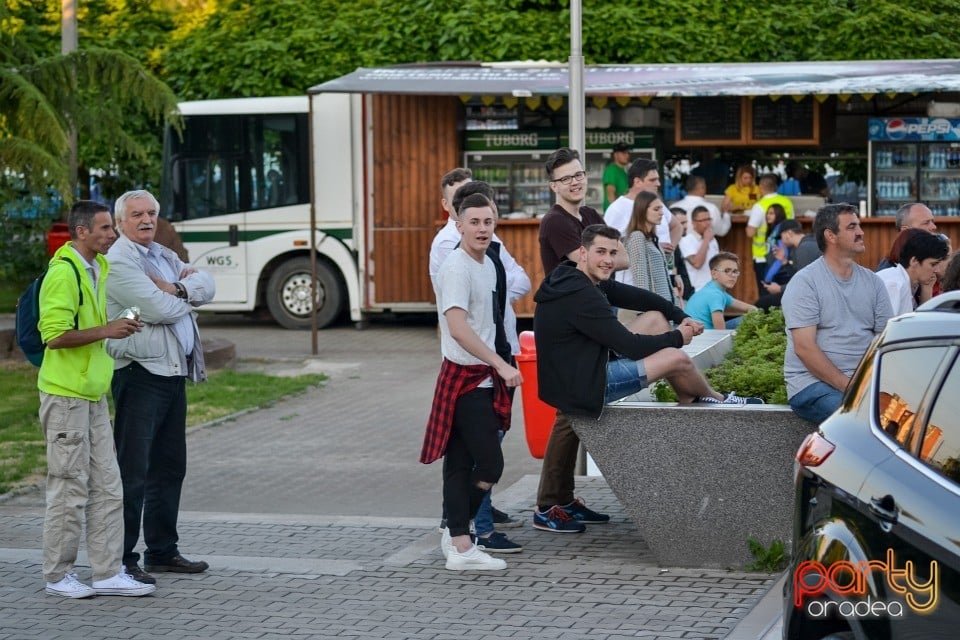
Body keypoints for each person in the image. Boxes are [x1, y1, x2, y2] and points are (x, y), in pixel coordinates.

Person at [37, 200, 155, 598]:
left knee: (108, 485)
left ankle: (107, 572)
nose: (112, 234)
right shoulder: (63, 272)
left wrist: (116, 328)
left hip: (93, 394)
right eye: (105, 228)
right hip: (65, 396)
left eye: (111, 228)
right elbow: (53, 335)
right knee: (69, 488)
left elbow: (94, 328)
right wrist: (107, 330)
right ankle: (57, 576)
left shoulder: (99, 267)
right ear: (82, 232)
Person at [533, 224, 762, 418]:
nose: (608, 260)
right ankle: (719, 400)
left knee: (655, 318)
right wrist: (677, 337)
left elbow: (641, 298)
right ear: (583, 253)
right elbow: (629, 346)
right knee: (676, 358)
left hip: (585, 366)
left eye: (613, 253)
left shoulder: (577, 276)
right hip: (586, 386)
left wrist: (681, 316)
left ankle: (689, 395)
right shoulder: (580, 294)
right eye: (600, 252)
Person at [106, 189, 216, 583]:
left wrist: (178, 288)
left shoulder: (162, 256)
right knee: (133, 472)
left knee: (169, 468)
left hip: (172, 374)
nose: (146, 220)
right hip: (139, 374)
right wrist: (180, 295)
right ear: (121, 222)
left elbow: (208, 283)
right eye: (136, 214)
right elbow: (158, 309)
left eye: (151, 212)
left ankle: (162, 551)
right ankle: (120, 559)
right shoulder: (119, 261)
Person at [420, 193, 522, 571]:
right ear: (458, 225)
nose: (482, 229)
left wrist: (503, 360)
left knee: (461, 461)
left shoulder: (490, 264)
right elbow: (459, 328)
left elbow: (491, 320)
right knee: (489, 463)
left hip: (487, 376)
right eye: (474, 222)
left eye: (488, 221)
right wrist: (500, 365)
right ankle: (460, 539)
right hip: (465, 378)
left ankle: (458, 539)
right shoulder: (456, 267)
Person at [535, 148, 618, 534]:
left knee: (573, 414)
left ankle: (561, 499)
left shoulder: (589, 216)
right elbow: (602, 263)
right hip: (570, 326)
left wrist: (611, 257)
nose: (576, 181)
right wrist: (610, 257)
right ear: (554, 185)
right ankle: (549, 505)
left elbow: (614, 259)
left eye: (579, 174)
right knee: (568, 414)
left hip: (592, 318)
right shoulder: (555, 222)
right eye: (567, 177)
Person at [782, 204, 893, 424]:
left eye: (859, 226)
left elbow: (885, 342)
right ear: (830, 236)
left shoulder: (874, 282)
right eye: (852, 227)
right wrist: (854, 387)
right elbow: (804, 348)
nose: (861, 232)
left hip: (864, 383)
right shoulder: (806, 283)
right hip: (812, 386)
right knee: (866, 420)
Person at [603, 158, 682, 292]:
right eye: (652, 180)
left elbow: (677, 226)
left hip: (665, 280)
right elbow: (607, 246)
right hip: (633, 284)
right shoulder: (617, 208)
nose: (658, 184)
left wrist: (669, 250)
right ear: (637, 181)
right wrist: (653, 248)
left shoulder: (657, 203)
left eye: (658, 179)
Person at [876, 229, 949, 315]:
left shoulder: (906, 282)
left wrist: (927, 288)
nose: (937, 270)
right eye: (933, 264)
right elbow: (886, 326)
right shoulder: (895, 284)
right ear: (914, 261)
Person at [625, 192, 677, 306]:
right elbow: (641, 279)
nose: (661, 213)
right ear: (643, 210)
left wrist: (674, 279)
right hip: (652, 309)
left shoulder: (652, 239)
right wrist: (647, 311)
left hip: (664, 306)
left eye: (661, 208)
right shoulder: (637, 237)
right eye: (656, 209)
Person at [684, 252, 757, 330]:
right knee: (747, 320)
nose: (732, 275)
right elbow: (720, 333)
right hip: (703, 339)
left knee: (751, 318)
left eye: (735, 271)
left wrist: (756, 313)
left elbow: (752, 309)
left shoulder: (715, 290)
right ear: (714, 274)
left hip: (700, 336)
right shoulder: (715, 294)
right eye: (727, 270)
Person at [746, 174, 794, 290]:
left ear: (760, 187)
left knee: (765, 293)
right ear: (775, 187)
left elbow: (750, 233)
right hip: (785, 255)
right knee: (782, 292)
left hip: (763, 255)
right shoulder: (787, 202)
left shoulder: (759, 205)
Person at [876, 203, 938, 271]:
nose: (934, 227)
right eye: (926, 223)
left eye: (932, 222)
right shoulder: (890, 269)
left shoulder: (937, 255)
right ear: (905, 231)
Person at [678, 205, 719, 293]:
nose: (707, 223)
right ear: (693, 222)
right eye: (703, 220)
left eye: (709, 219)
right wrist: (706, 240)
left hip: (715, 288)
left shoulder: (713, 240)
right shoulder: (686, 240)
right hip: (698, 290)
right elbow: (697, 264)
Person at [602, 142, 630, 212]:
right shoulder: (611, 170)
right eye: (623, 153)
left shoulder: (623, 172)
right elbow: (610, 194)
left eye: (627, 153)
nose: (627, 155)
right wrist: (616, 212)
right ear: (615, 155)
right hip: (614, 214)